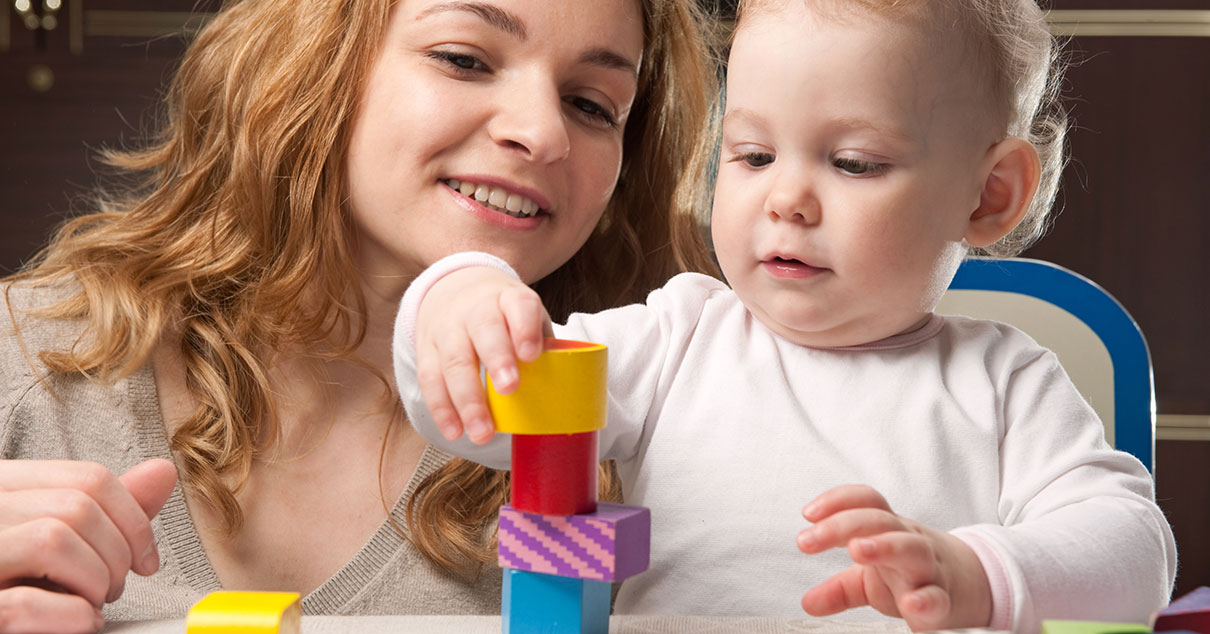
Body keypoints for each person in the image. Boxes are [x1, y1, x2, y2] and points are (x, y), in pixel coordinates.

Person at [393, 0, 1178, 632]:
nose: (786, 199)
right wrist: (458, 295)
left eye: (852, 163)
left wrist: (978, 576)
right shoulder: (678, 338)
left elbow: (1134, 558)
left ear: (990, 194)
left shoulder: (1008, 383)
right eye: (753, 155)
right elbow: (491, 415)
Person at [0, 0, 720, 630]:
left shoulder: (652, 445)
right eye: (464, 58)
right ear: (316, 62)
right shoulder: (27, 363)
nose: (542, 133)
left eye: (593, 104)